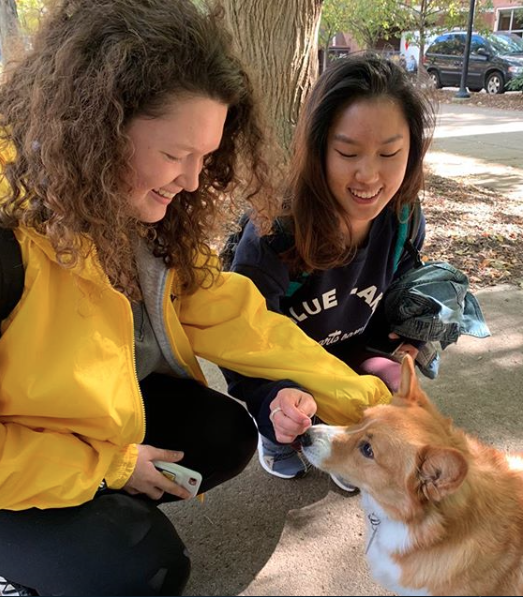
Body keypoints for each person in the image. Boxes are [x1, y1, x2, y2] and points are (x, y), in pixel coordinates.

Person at [0, 2, 393, 595]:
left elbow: (239, 320)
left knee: (223, 435)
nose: (189, 181)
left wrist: (371, 403)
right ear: (92, 127)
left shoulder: (135, 210)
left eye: (204, 157)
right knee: (149, 573)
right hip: (18, 453)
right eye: (173, 154)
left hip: (78, 428)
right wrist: (108, 467)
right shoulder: (10, 236)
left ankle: (86, 524)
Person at [224, 53, 435, 484]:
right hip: (289, 368)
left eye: (390, 152)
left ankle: (350, 440)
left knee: (398, 381)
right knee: (290, 415)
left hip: (352, 352)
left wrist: (414, 344)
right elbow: (239, 338)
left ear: (412, 151)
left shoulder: (403, 218)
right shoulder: (275, 231)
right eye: (348, 152)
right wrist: (272, 401)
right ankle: (282, 434)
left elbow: (405, 296)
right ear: (318, 148)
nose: (369, 175)